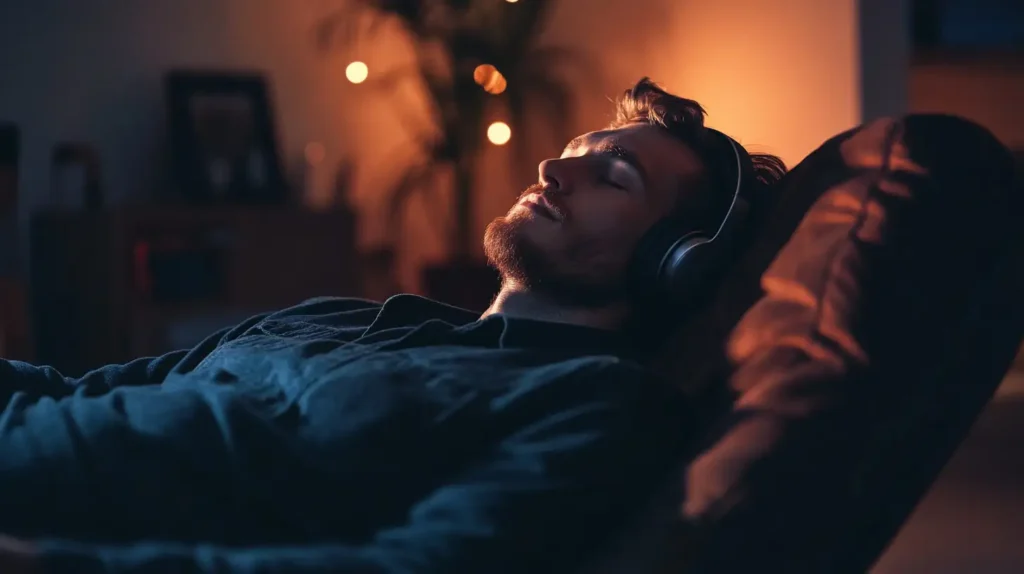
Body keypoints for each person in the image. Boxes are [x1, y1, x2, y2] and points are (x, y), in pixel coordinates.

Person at [0, 78, 785, 574]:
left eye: (613, 177)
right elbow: (83, 390)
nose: (553, 170)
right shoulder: (342, 313)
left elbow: (415, 564)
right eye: (574, 150)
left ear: (672, 261)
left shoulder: (598, 403)